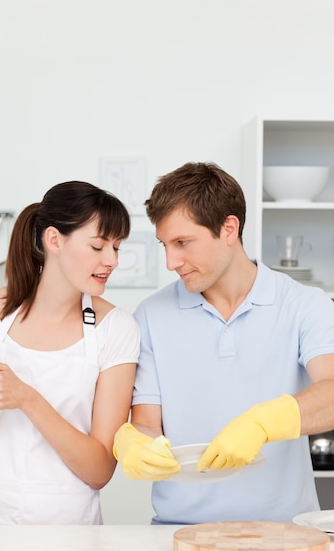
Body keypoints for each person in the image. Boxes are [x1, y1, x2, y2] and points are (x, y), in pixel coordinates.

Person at [113, 161, 334, 525]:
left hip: (285, 533)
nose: (171, 261)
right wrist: (134, 443)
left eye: (183, 243)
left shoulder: (303, 304)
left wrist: (263, 422)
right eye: (165, 245)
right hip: (177, 533)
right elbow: (147, 424)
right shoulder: (151, 315)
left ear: (229, 229)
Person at [0, 181, 140, 525]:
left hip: (69, 527)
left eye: (116, 247)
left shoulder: (116, 329)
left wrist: (27, 398)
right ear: (54, 240)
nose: (112, 260)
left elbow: (100, 470)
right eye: (99, 246)